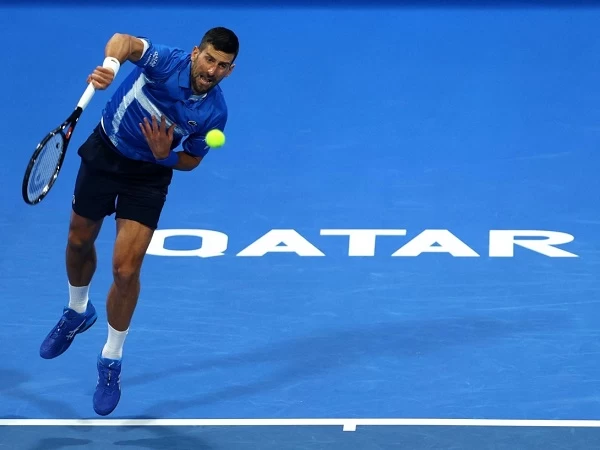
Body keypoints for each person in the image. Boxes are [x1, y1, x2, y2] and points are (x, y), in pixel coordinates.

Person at [38, 27, 239, 416]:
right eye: (209, 59)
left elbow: (192, 160)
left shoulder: (215, 113)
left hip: (148, 176)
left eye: (223, 66)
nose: (213, 70)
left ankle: (111, 359)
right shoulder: (165, 62)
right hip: (106, 152)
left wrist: (166, 156)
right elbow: (125, 42)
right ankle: (77, 311)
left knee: (126, 271)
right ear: (196, 53)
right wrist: (112, 65)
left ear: (230, 71)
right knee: (78, 241)